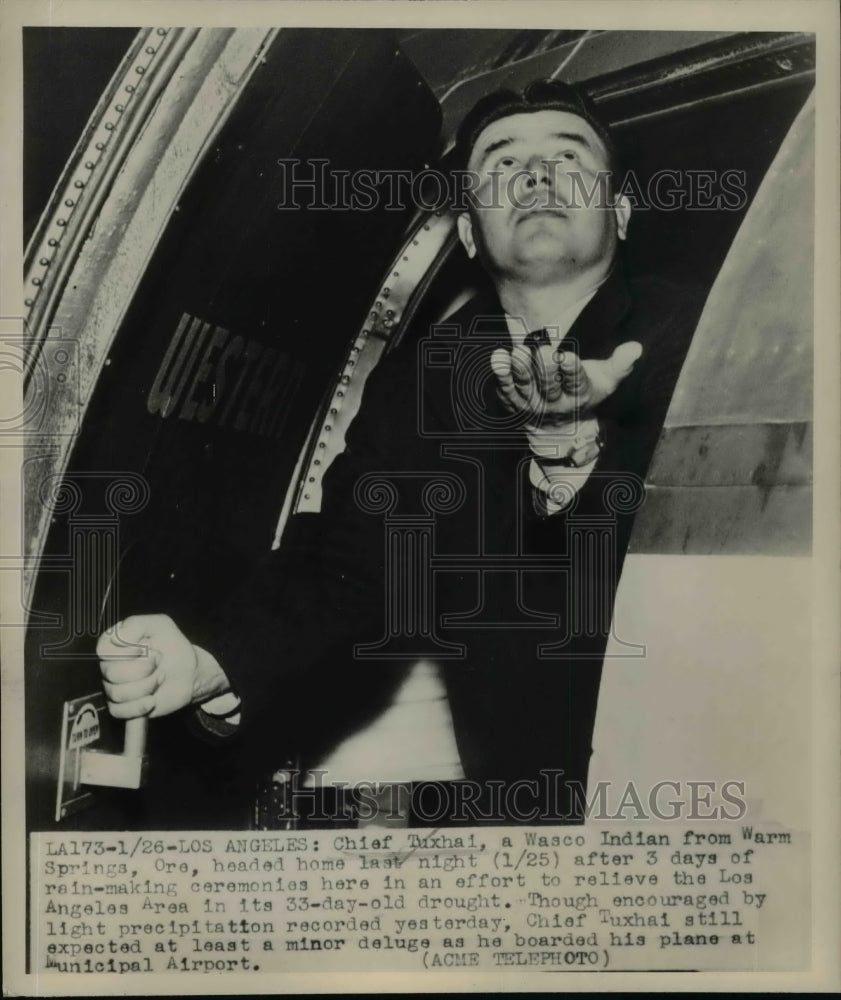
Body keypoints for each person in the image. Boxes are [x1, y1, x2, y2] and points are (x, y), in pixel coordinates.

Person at [97, 80, 706, 826]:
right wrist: (215, 662)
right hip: (523, 810)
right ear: (471, 235)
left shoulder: (705, 337)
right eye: (502, 163)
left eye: (567, 157)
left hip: (690, 780)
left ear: (620, 211)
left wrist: (568, 455)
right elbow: (343, 567)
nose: (537, 176)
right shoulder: (428, 374)